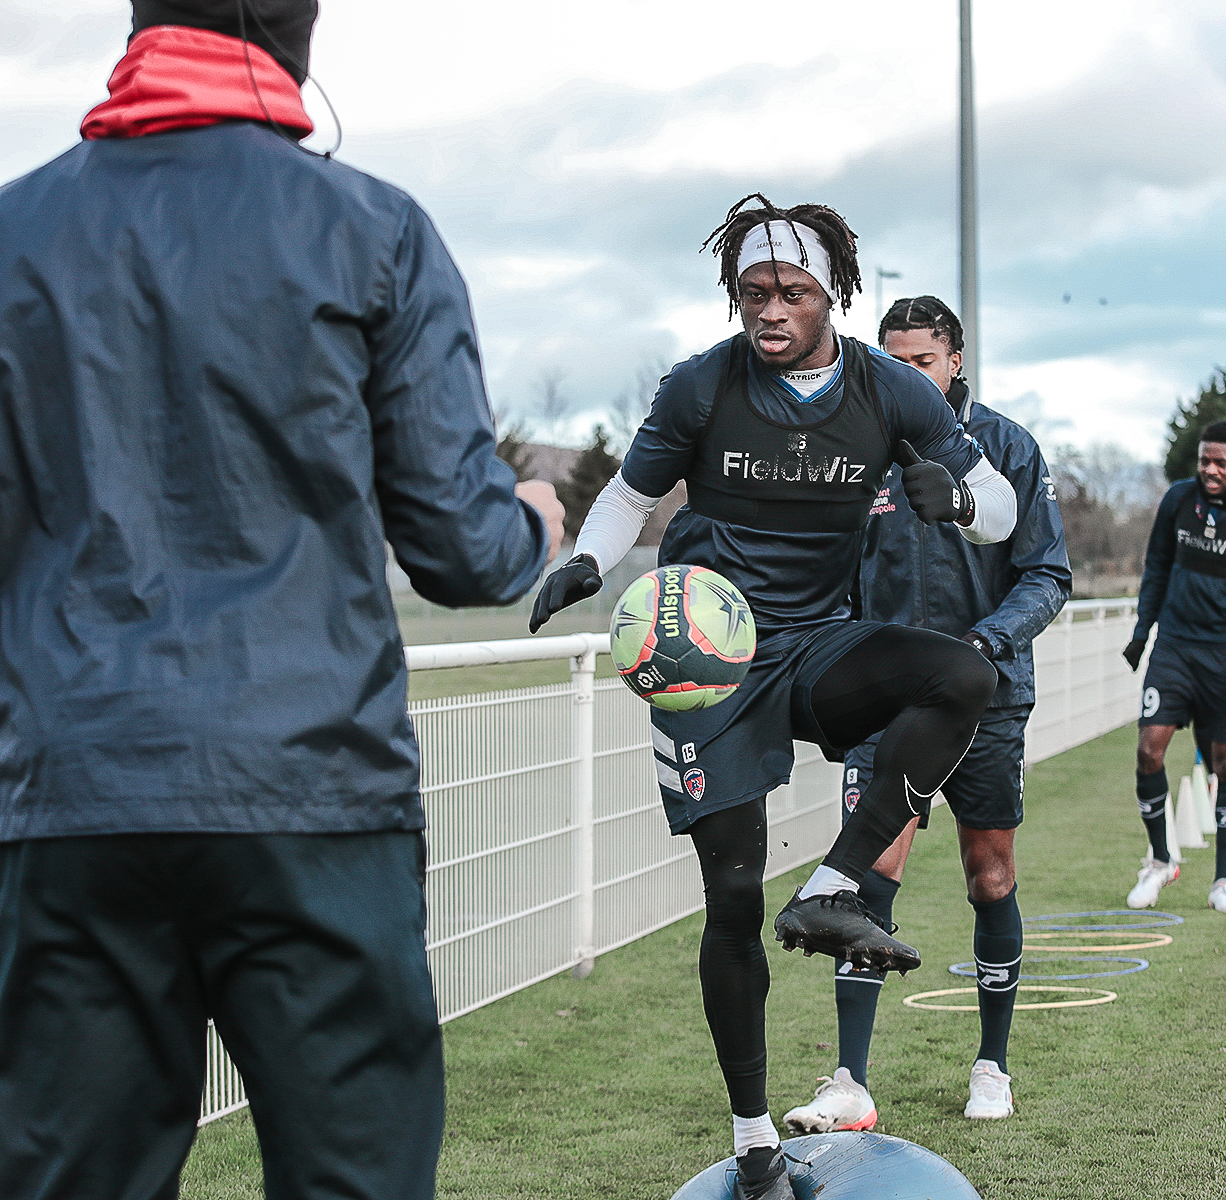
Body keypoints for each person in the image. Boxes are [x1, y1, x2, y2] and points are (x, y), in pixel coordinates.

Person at [0, 4, 564, 1197]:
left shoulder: (15, 231)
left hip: (73, 788)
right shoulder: (371, 229)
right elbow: (464, 554)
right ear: (295, 36)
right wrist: (535, 516)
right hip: (311, 789)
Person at [526, 197, 1017, 1199]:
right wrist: (584, 561)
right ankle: (755, 1145)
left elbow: (1001, 507)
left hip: (815, 644)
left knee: (964, 676)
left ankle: (835, 885)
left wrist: (961, 499)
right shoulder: (700, 384)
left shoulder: (889, 389)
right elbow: (628, 496)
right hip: (708, 660)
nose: (770, 308)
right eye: (753, 291)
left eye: (792, 291)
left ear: (832, 295)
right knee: (734, 898)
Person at [781, 297, 1070, 1133]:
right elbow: (828, 576)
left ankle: (991, 1065)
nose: (906, 374)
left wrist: (983, 644)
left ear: (955, 362)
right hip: (884, 704)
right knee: (865, 883)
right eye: (892, 360)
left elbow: (1048, 575)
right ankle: (850, 1084)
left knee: (991, 878)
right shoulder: (857, 451)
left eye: (922, 362)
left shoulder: (1007, 448)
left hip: (988, 699)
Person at [1121, 421, 1226, 915]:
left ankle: (1222, 882)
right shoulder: (1178, 500)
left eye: (1221, 462)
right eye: (1204, 460)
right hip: (1174, 650)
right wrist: (1141, 634)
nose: (1210, 470)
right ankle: (1159, 862)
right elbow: (1156, 568)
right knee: (1149, 749)